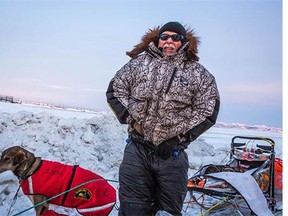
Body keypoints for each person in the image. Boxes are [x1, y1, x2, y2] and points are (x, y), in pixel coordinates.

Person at [106, 21, 220, 215]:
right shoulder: (138, 64)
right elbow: (115, 90)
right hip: (137, 149)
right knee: (132, 207)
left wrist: (179, 139)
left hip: (172, 155)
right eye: (165, 36)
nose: (169, 41)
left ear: (183, 42)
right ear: (158, 40)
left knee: (168, 210)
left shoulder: (198, 74)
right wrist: (131, 119)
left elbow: (208, 109)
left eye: (175, 38)